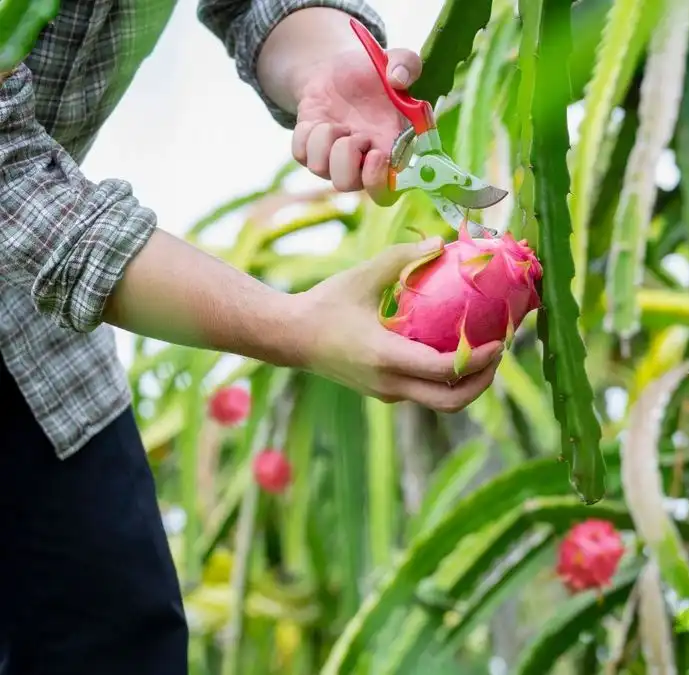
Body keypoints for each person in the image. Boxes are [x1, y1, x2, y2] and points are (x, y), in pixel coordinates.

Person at [0, 1, 504, 672]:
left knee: (120, 635)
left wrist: (326, 64)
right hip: (37, 249)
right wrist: (292, 326)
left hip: (38, 342)